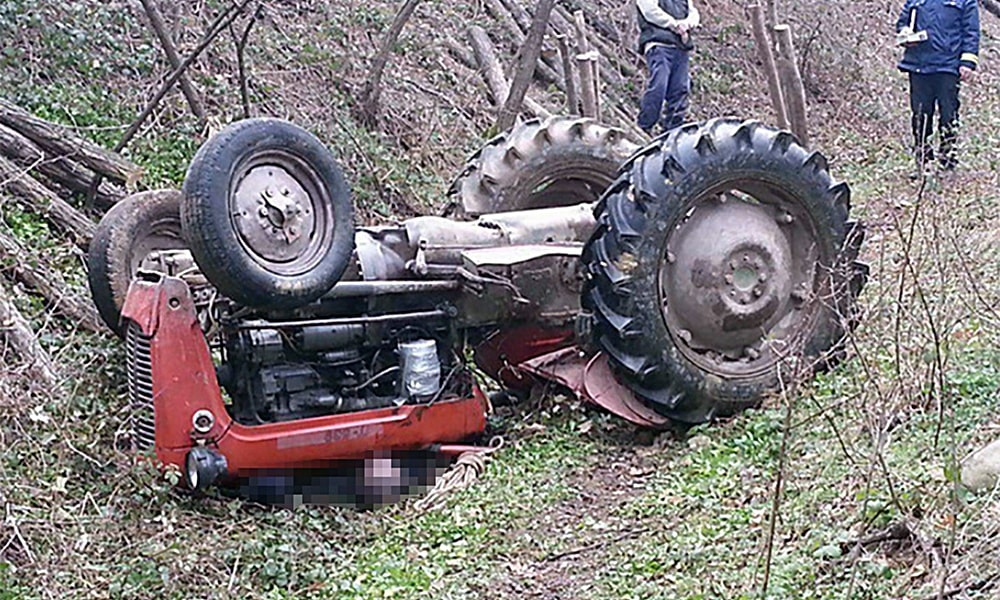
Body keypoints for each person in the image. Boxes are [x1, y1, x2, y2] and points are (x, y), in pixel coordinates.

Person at [895, 0, 980, 174]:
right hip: (919, 66)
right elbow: (903, 22)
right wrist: (905, 33)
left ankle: (947, 161)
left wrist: (967, 63)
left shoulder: (965, 2)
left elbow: (971, 32)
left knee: (949, 114)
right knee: (920, 115)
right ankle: (923, 162)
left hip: (948, 67)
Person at [636, 0, 700, 136]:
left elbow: (693, 13)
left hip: (680, 47)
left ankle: (672, 133)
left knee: (680, 90)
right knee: (659, 85)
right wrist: (674, 24)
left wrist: (687, 24)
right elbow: (649, 11)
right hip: (658, 44)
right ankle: (644, 127)